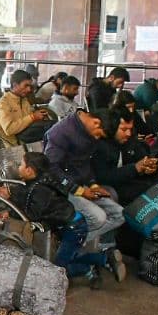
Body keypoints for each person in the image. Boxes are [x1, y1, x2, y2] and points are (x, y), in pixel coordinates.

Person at [0, 153, 121, 287]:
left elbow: (33, 215)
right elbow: (28, 195)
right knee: (70, 256)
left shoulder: (39, 189)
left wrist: (11, 208)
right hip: (73, 225)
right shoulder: (44, 181)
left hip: (73, 228)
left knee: (57, 269)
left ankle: (99, 261)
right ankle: (102, 261)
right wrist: (12, 196)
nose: (19, 167)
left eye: (21, 165)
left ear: (30, 170)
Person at [44, 109, 125, 255]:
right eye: (98, 134)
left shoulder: (88, 133)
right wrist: (79, 191)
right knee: (98, 218)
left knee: (119, 215)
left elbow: (84, 163)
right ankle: (70, 250)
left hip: (80, 184)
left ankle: (69, 245)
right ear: (96, 122)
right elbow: (51, 170)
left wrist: (93, 185)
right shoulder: (60, 133)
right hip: (60, 188)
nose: (97, 138)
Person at [92, 110, 158, 205]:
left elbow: (142, 159)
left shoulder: (130, 140)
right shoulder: (101, 146)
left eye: (130, 129)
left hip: (135, 180)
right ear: (112, 128)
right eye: (124, 129)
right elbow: (104, 177)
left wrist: (149, 167)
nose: (128, 133)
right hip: (115, 187)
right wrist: (135, 168)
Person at [0, 70, 52, 145]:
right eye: (26, 86)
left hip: (28, 138)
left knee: (54, 127)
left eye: (30, 86)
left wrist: (39, 116)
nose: (29, 89)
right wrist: (33, 117)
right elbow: (9, 129)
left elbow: (28, 121)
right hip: (15, 144)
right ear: (15, 85)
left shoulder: (24, 100)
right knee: (52, 129)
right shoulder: (3, 103)